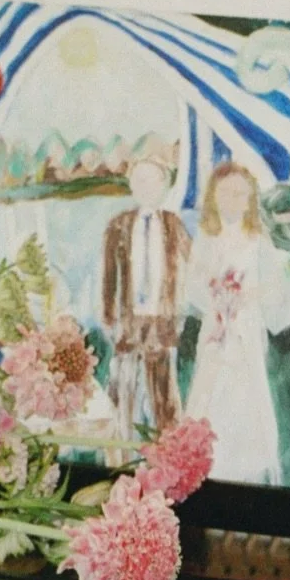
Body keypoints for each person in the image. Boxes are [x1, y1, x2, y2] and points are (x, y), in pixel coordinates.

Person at [184, 162, 283, 485]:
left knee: (243, 392)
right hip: (216, 324)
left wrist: (245, 297)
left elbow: (274, 286)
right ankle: (207, 462)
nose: (232, 199)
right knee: (210, 388)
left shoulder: (257, 240)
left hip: (245, 327)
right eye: (225, 193)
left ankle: (245, 464)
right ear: (214, 197)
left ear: (249, 199)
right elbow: (192, 283)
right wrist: (215, 299)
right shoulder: (207, 238)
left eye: (240, 194)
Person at [100, 147, 190, 440]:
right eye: (140, 181)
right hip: (129, 318)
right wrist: (108, 315)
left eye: (154, 181)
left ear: (165, 186)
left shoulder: (173, 225)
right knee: (123, 384)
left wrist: (180, 313)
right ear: (131, 185)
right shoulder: (119, 225)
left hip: (161, 318)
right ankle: (120, 440)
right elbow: (109, 275)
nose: (147, 188)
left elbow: (190, 268)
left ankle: (168, 445)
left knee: (163, 388)